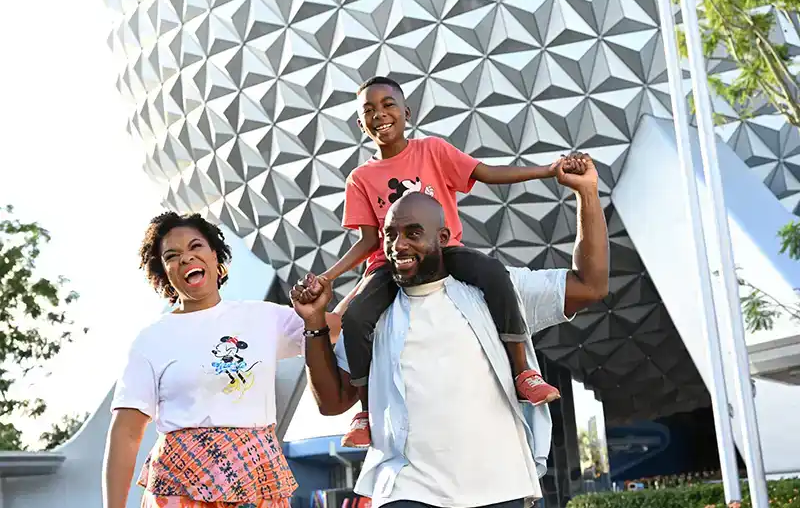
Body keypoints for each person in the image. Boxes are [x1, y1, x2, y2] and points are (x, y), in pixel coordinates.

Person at [292, 153, 608, 508]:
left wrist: (587, 193)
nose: (399, 246)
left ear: (443, 237)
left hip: (499, 486)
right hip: (406, 489)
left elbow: (590, 285)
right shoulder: (372, 313)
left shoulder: (495, 288)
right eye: (390, 235)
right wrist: (314, 324)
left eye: (413, 233)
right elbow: (332, 402)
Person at [315, 75, 566, 447]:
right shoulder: (360, 178)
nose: (380, 115)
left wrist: (548, 170)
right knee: (355, 318)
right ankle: (367, 412)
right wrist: (330, 276)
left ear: (406, 112)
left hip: (444, 253)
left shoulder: (432, 150)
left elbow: (487, 173)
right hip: (391, 264)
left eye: (388, 105)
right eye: (369, 110)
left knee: (495, 274)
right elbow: (370, 240)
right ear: (360, 123)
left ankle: (523, 372)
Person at [102, 212, 314, 508]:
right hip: (179, 487)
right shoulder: (152, 338)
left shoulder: (264, 317)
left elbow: (330, 328)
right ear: (164, 272)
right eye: (172, 255)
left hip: (256, 476)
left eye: (196, 247)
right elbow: (126, 432)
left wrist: (376, 271)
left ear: (216, 257)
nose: (186, 258)